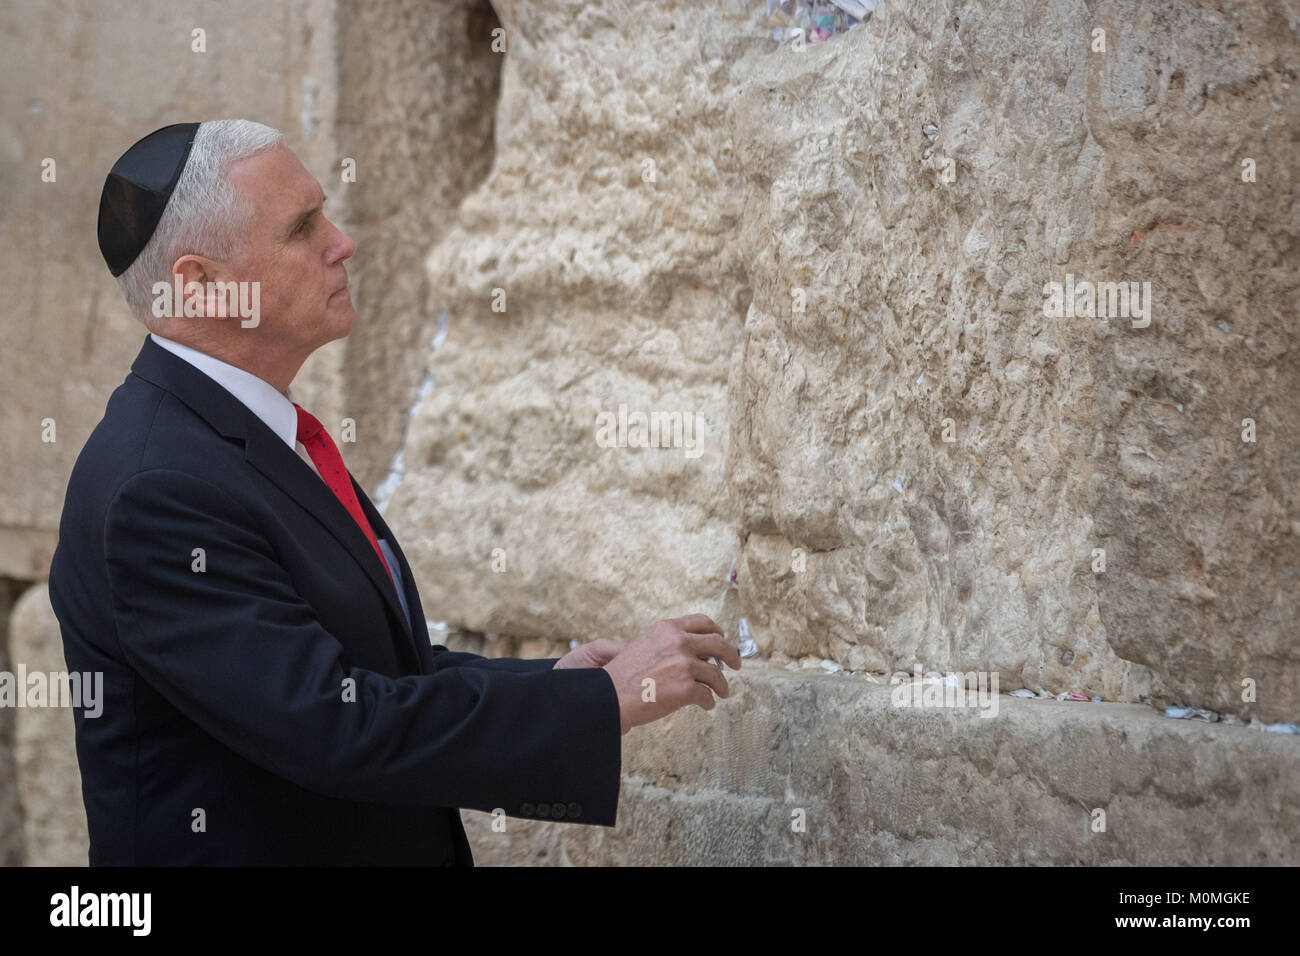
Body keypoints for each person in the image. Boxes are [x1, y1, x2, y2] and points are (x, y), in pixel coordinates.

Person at [48, 119, 740, 866]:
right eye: (301, 228)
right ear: (201, 286)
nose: (340, 242)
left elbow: (358, 674)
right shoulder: (160, 488)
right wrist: (608, 702)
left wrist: (552, 683)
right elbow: (336, 728)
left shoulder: (234, 434)